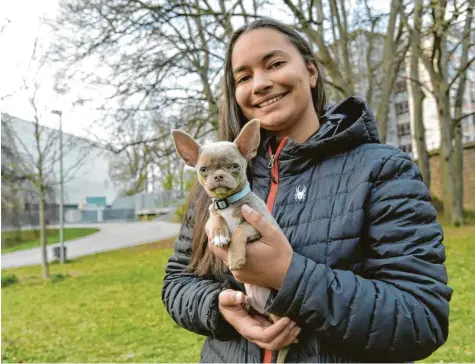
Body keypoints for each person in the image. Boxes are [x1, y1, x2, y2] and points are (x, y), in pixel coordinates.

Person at [162, 17, 452, 363]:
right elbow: (177, 282)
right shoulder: (215, 182)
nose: (261, 83)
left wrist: (288, 275)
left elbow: (421, 319)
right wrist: (221, 309)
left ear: (311, 72)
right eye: (244, 77)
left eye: (276, 64)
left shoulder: (382, 170)